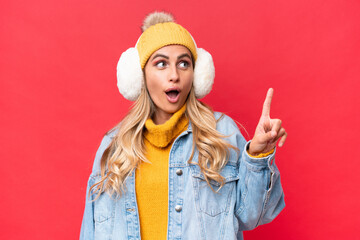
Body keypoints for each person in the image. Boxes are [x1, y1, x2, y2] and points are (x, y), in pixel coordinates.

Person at [80, 11, 287, 240]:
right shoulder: (114, 146)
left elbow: (252, 216)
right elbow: (91, 231)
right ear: (140, 76)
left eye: (183, 63)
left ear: (196, 75)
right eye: (161, 64)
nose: (174, 75)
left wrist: (258, 156)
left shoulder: (221, 132)